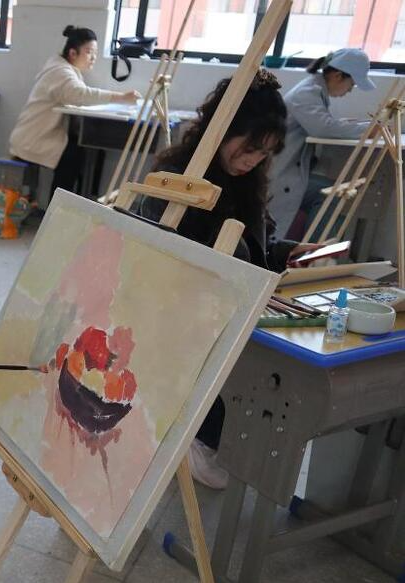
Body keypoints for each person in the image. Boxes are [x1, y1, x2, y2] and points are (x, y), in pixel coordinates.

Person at [139, 69, 314, 489]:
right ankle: (197, 433)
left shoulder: (247, 181)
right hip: (181, 311)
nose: (253, 158)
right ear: (223, 129)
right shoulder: (179, 177)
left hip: (232, 300)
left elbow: (255, 244)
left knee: (280, 356)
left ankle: (218, 435)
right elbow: (161, 262)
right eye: (250, 146)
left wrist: (286, 252)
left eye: (265, 152)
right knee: (234, 360)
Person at [9, 26, 138, 202]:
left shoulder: (63, 68)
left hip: (44, 135)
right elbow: (80, 95)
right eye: (89, 52)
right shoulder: (60, 72)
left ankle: (61, 206)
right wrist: (121, 97)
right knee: (72, 157)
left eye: (95, 53)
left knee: (77, 152)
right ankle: (56, 209)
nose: (93, 58)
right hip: (32, 138)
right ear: (72, 53)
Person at [268, 48, 376, 242]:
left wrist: (359, 126)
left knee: (333, 191)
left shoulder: (314, 89)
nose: (350, 90)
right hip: (279, 175)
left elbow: (325, 123)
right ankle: (315, 254)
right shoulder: (307, 93)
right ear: (338, 76)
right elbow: (324, 128)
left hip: (288, 169)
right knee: (332, 194)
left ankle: (316, 250)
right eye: (352, 84)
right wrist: (369, 129)